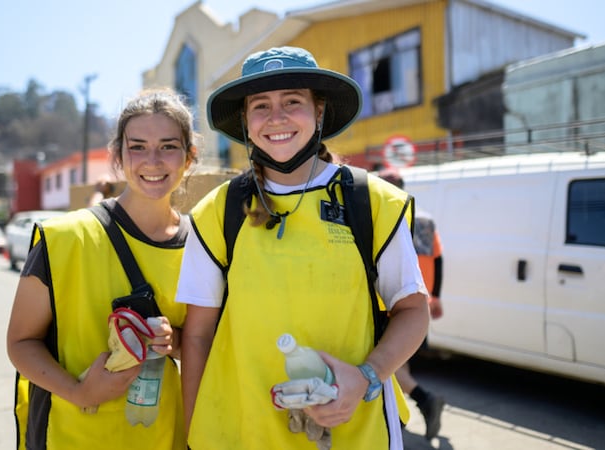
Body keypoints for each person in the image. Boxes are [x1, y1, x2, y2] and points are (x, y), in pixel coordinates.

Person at [178, 46, 430, 450]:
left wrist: (367, 376)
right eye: (261, 106)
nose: (276, 117)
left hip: (357, 432)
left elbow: (413, 310)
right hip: (241, 431)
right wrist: (192, 436)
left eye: (292, 102)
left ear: (319, 112)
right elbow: (197, 338)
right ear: (245, 121)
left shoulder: (372, 201)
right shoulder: (217, 211)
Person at [6, 87, 199, 450]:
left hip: (162, 436)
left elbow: (204, 345)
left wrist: (171, 341)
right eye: (137, 146)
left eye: (169, 146)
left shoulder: (202, 246)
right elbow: (20, 342)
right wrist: (79, 392)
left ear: (190, 157)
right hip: (71, 437)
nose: (152, 160)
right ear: (117, 156)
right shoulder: (64, 237)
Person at [379, 168, 446, 440]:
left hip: (393, 302)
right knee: (397, 363)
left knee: (388, 364)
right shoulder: (424, 216)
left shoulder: (384, 211)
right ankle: (402, 417)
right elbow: (439, 259)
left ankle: (423, 401)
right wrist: (436, 295)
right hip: (419, 304)